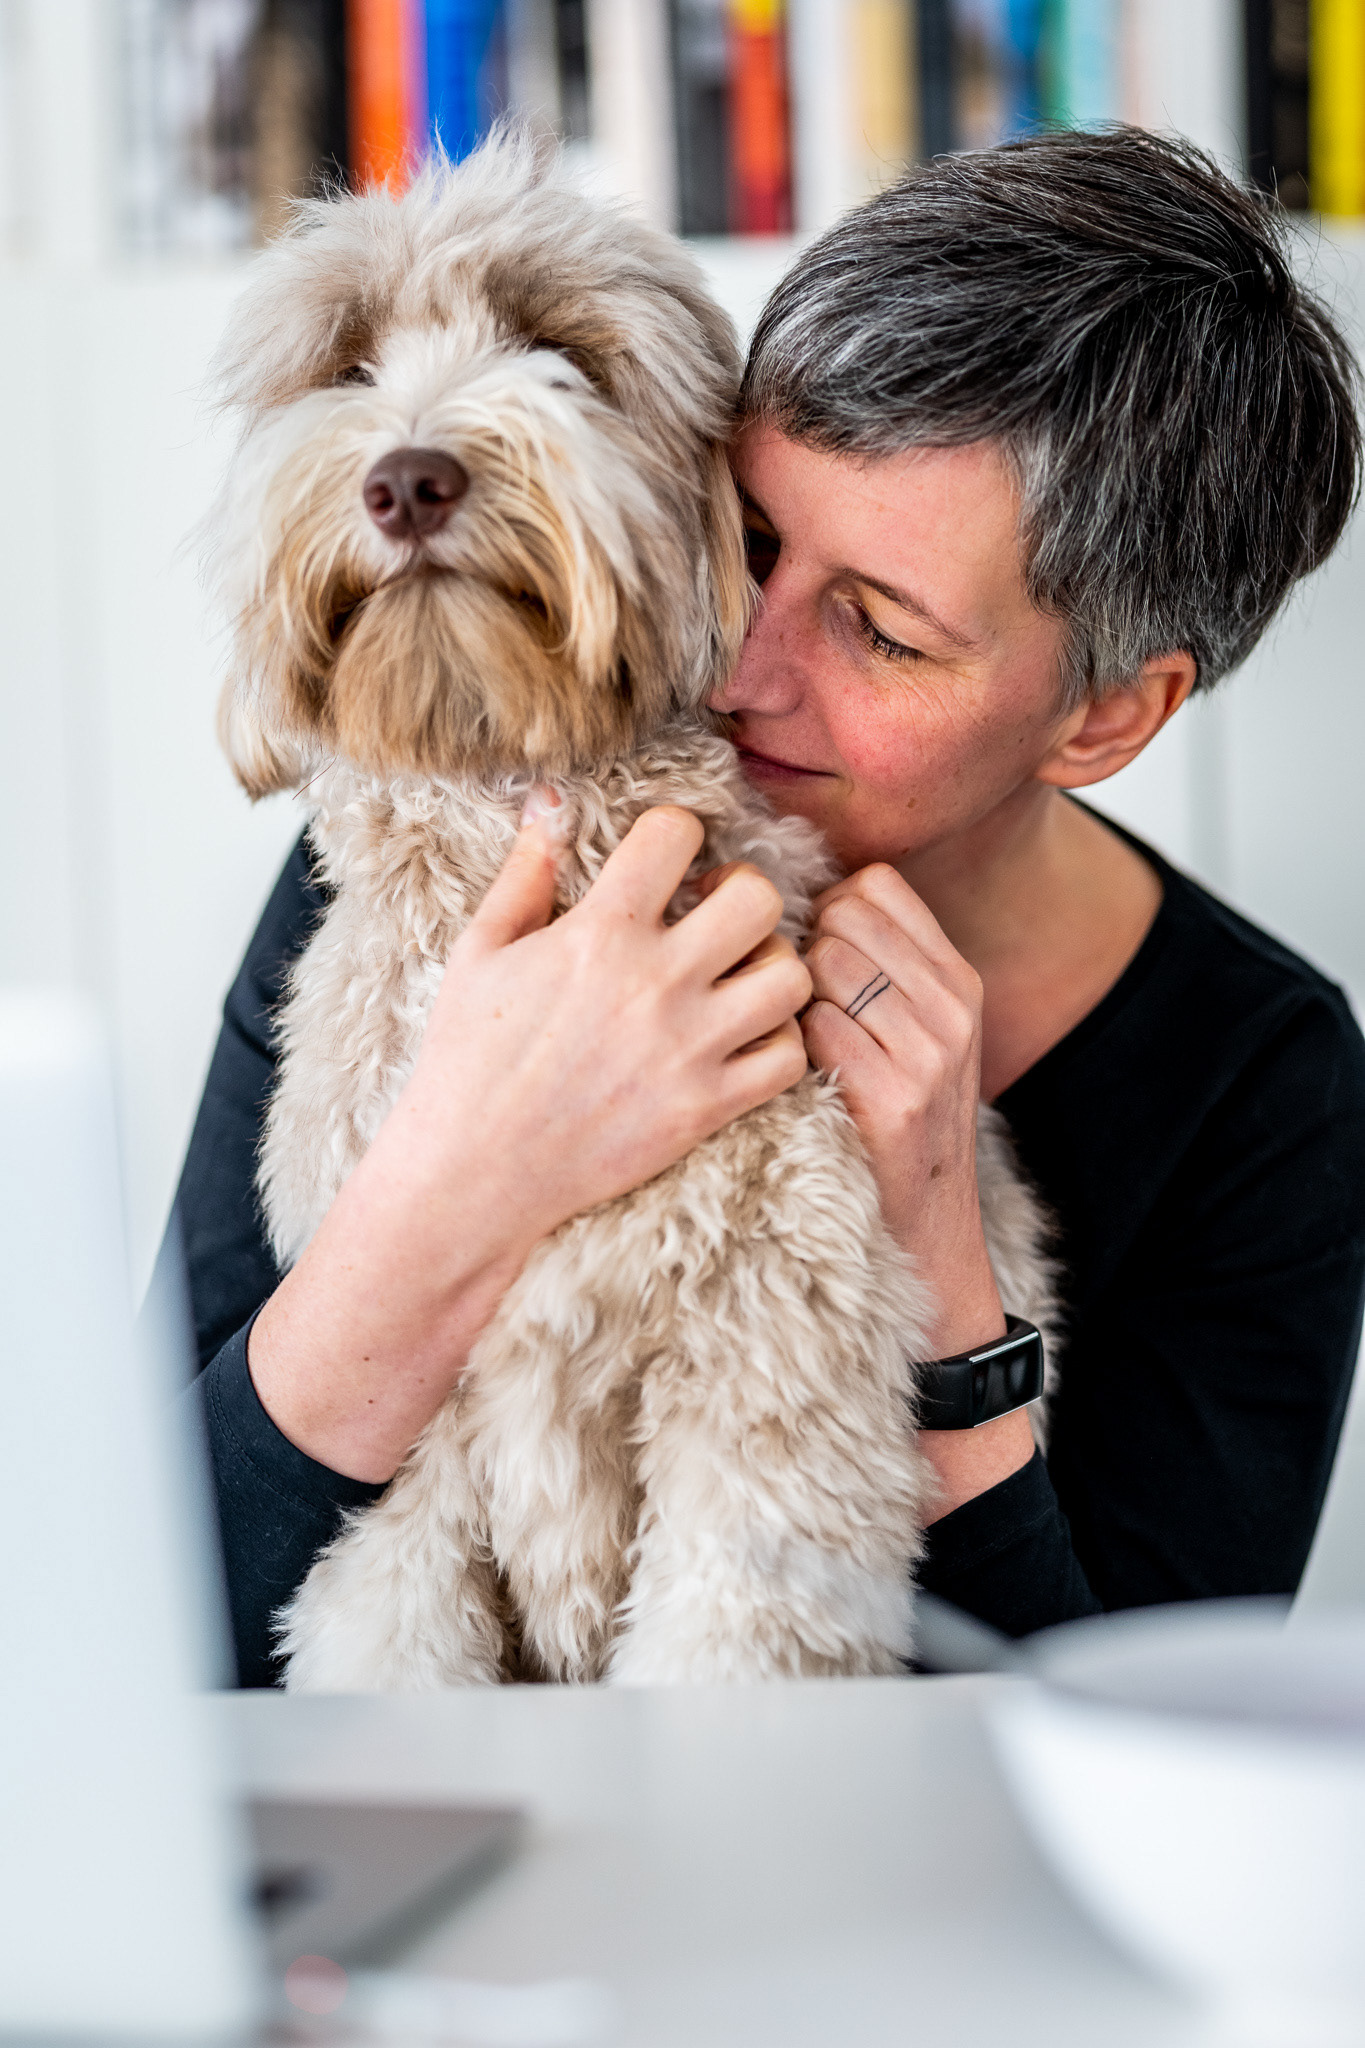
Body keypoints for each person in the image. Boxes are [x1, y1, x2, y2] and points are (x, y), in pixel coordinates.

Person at [178, 129, 1365, 1688]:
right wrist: (453, 1184)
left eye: (879, 632)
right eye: (743, 543)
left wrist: (939, 1281)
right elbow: (131, 1602)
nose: (735, 665)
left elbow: (1140, 1740)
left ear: (1102, 718)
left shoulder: (1259, 1079)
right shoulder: (456, 833)